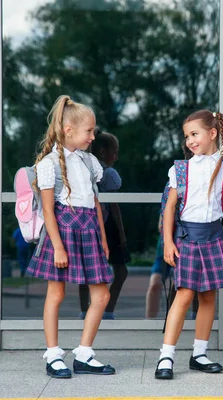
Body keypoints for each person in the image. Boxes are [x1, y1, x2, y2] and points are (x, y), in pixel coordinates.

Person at [25, 95, 115, 379]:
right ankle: (53, 355)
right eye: (89, 131)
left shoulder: (90, 162)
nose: (92, 136)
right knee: (57, 293)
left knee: (101, 295)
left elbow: (95, 203)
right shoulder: (49, 164)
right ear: (68, 130)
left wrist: (102, 238)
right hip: (62, 231)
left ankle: (84, 354)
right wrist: (58, 247)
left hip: (88, 230)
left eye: (93, 131)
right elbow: (49, 211)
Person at [155, 110, 223, 380]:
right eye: (187, 136)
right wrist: (168, 242)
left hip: (215, 237)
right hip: (187, 239)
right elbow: (170, 209)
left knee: (208, 297)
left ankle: (199, 354)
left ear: (212, 133)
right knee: (183, 296)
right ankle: (166, 356)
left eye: (195, 134)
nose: (190, 141)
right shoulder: (180, 169)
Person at [78, 130, 130, 320]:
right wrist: (122, 233)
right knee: (120, 270)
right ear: (101, 151)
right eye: (113, 151)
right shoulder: (108, 174)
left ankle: (85, 310)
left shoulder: (83, 169)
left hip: (86, 224)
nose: (116, 156)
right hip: (107, 226)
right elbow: (114, 205)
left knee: (87, 270)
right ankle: (107, 311)